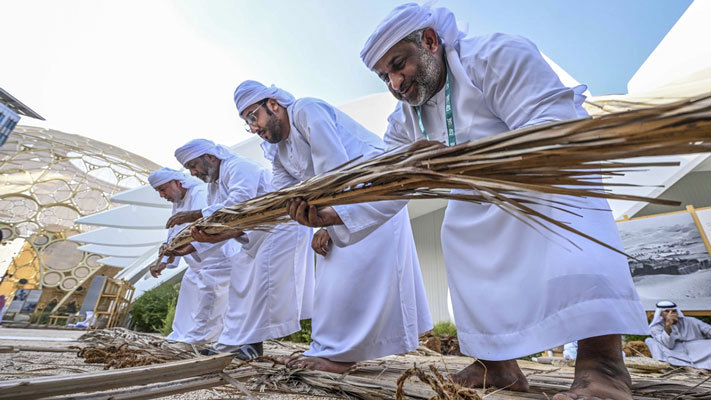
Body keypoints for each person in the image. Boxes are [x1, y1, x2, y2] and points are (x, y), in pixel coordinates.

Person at [289, 3, 650, 398]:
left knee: (569, 230)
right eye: (384, 76)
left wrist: (461, 163)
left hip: (549, 180)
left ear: (430, 42)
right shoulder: (405, 118)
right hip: (479, 199)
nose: (394, 83)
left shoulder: (497, 56)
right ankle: (496, 363)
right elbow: (389, 182)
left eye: (398, 65)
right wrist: (335, 214)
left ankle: (603, 365)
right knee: (459, 230)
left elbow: (553, 126)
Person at [233, 80, 432, 373]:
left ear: (273, 104)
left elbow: (335, 170)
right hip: (338, 210)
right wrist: (237, 230)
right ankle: (332, 350)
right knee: (331, 279)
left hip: (371, 196)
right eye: (247, 122)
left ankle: (339, 356)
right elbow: (279, 202)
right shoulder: (279, 153)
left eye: (254, 116)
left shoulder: (306, 110)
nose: (253, 128)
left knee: (354, 277)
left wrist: (329, 221)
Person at [169, 139, 314, 360]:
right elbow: (221, 224)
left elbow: (238, 205)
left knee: (263, 285)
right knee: (240, 286)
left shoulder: (239, 166)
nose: (192, 173)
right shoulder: (213, 187)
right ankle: (230, 343)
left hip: (280, 228)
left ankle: (252, 345)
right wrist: (194, 245)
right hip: (254, 236)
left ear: (210, 157)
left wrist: (194, 215)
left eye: (193, 165)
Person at [148, 167, 233, 344]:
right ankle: (180, 337)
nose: (162, 195)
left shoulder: (200, 193)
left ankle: (199, 341)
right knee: (187, 301)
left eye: (163, 189)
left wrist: (186, 249)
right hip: (196, 263)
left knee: (209, 302)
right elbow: (174, 233)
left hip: (216, 260)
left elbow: (210, 227)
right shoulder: (178, 202)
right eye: (159, 192)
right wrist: (164, 260)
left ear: (177, 183)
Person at [646, 301, 711, 375]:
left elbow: (708, 330)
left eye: (674, 311)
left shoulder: (691, 320)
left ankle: (702, 367)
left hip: (695, 349)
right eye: (667, 311)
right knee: (651, 341)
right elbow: (668, 345)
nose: (671, 314)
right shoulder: (656, 327)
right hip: (672, 350)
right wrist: (668, 326)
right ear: (660, 313)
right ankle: (688, 368)